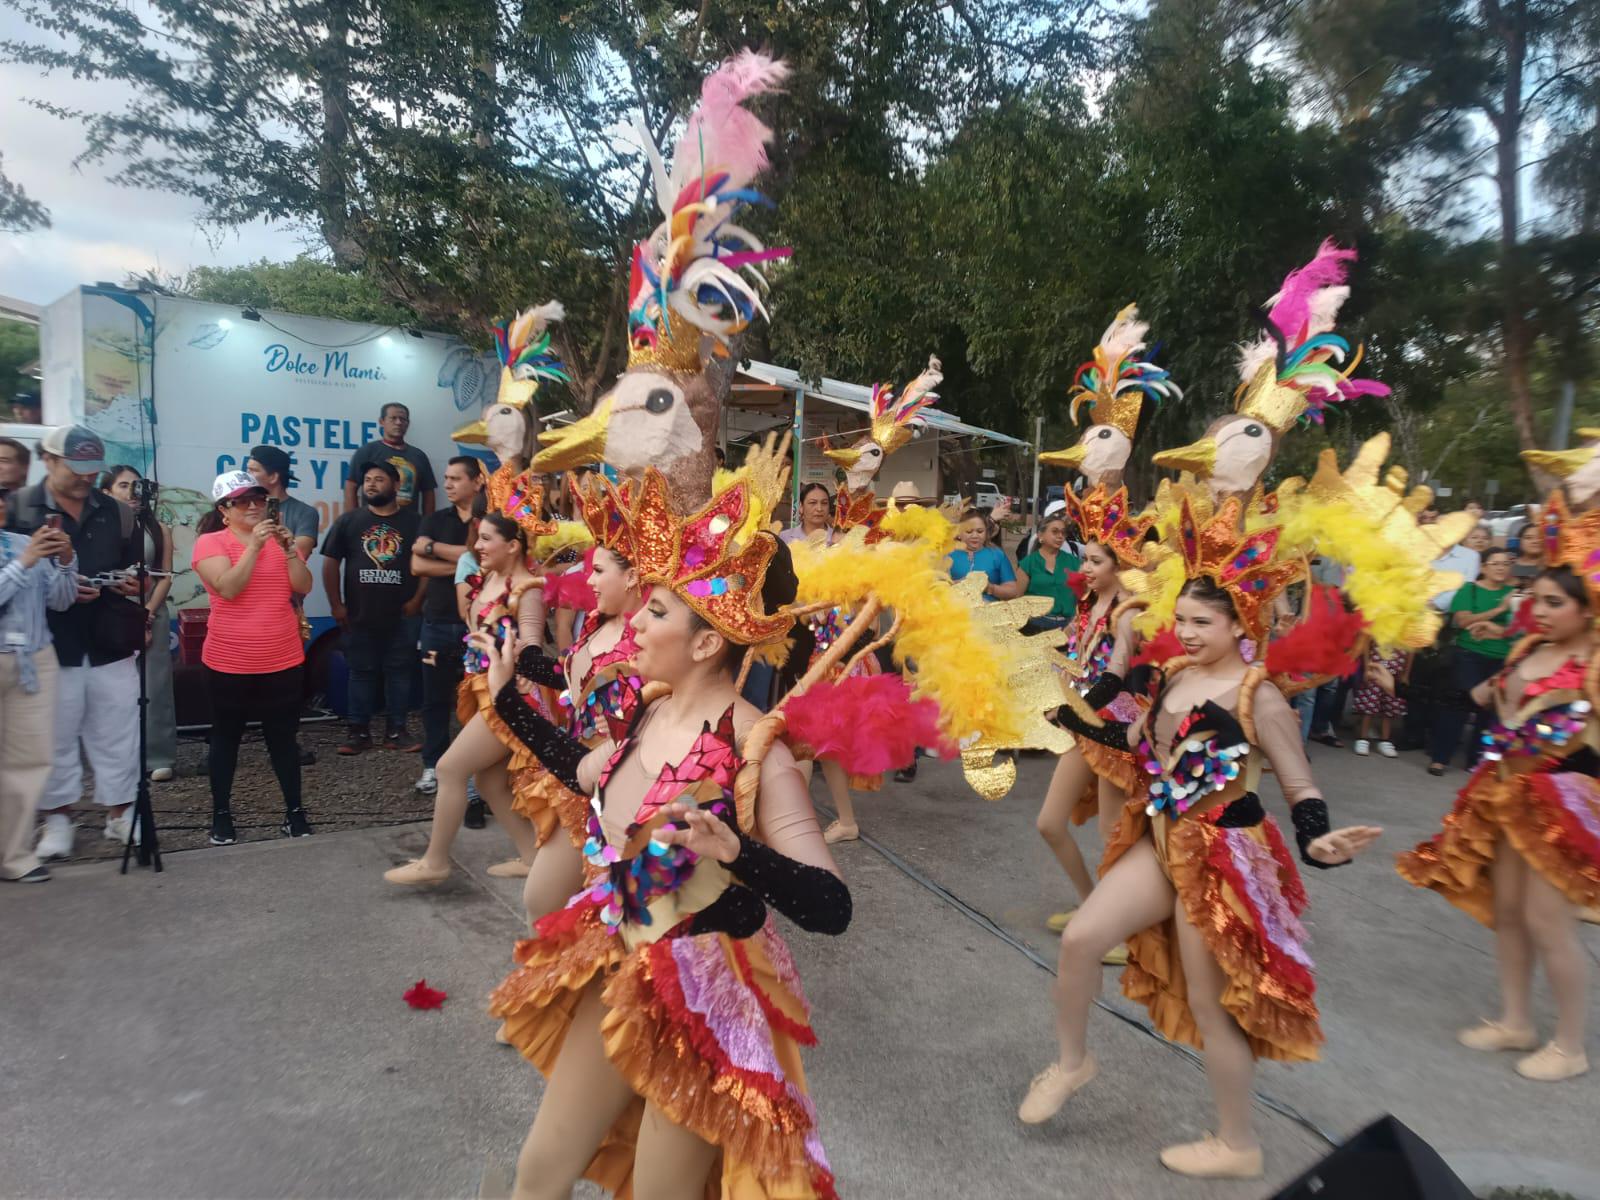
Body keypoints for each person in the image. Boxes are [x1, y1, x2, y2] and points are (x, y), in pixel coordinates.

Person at [1021, 575, 1381, 1178]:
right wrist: (1069, 718)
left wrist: (1319, 842)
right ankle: (1072, 1063)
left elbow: (1301, 787)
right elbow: (1133, 742)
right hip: (1163, 839)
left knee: (1209, 1007)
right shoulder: (1176, 677)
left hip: (1221, 858)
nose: (1186, 633)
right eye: (1182, 619)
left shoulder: (1259, 697)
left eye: (1202, 623)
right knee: (1081, 940)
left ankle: (1238, 1145)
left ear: (1239, 625)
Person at [1380, 493, 1600, 1082]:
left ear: (1588, 609)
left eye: (1554, 603)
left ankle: (1570, 1046)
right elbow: (1479, 700)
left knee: (1548, 922)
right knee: (1507, 912)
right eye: (1537, 599)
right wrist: (1402, 686)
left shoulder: (1594, 666)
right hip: (1505, 794)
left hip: (1561, 806)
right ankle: (1515, 1021)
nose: (1539, 610)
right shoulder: (1529, 649)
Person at [383, 509, 544, 885]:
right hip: (482, 689)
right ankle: (533, 857)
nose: (478, 546)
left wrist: (516, 664)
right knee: (489, 784)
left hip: (508, 699)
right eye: (478, 537)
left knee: (449, 769)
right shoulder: (487, 577)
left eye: (487, 538)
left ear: (513, 545)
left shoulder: (527, 589)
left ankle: (435, 861)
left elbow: (533, 649)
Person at [4, 425, 143, 859]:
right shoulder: (19, 506)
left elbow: (137, 567)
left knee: (118, 729)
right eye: (75, 468)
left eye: (92, 469)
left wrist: (130, 582)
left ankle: (121, 813)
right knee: (55, 734)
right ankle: (58, 818)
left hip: (109, 637)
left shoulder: (117, 511)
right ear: (48, 460)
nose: (86, 477)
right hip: (47, 640)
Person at [191, 471, 315, 843]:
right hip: (229, 662)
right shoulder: (210, 542)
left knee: (283, 739)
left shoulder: (279, 540)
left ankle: (295, 812)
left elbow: (303, 585)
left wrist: (289, 550)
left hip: (283, 659)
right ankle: (221, 815)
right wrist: (255, 547)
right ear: (224, 510)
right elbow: (228, 588)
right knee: (226, 739)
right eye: (242, 500)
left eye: (258, 499)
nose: (253, 506)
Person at [0, 486, 77, 882]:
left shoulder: (20, 542)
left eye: (1, 497)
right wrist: (26, 561)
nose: (0, 504)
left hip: (34, 659)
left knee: (29, 760)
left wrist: (65, 561)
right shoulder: (25, 551)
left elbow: (60, 601)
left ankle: (13, 856)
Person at [322, 461, 423, 753]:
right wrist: (336, 604)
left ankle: (396, 732)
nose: (371, 485)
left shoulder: (415, 523)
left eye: (379, 479)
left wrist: (417, 600)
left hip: (403, 615)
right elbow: (330, 563)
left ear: (395, 485)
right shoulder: (349, 521)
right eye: (367, 480)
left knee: (399, 672)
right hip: (359, 614)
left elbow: (427, 566)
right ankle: (358, 733)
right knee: (361, 672)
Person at [410, 456, 484, 796]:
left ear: (477, 481)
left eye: (456, 478)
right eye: (446, 477)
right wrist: (468, 565)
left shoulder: (490, 520)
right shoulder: (434, 519)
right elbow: (416, 564)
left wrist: (434, 550)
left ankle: (475, 772)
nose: (448, 484)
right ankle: (433, 764)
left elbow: (491, 558)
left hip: (477, 627)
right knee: (434, 699)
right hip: (437, 623)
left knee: (478, 701)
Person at [100, 465, 178, 781]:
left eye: (137, 485)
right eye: (123, 485)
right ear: (106, 492)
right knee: (113, 686)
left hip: (151, 610)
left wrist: (147, 613)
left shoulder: (157, 528)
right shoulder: (100, 528)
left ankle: (159, 755)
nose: (132, 491)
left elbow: (165, 576)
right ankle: (119, 757)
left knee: (155, 685)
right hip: (109, 612)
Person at [1428, 547, 1518, 776]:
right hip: (1469, 655)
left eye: (1505, 564)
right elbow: (1463, 621)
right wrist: (1500, 609)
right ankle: (1440, 758)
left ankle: (1476, 761)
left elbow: (1521, 628)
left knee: (1489, 712)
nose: (1501, 568)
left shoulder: (1515, 594)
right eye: (1495, 563)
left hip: (1502, 659)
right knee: (1457, 706)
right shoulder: (1469, 589)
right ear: (1483, 567)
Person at [344, 402, 436, 514]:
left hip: (409, 522)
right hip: (371, 521)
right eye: (393, 418)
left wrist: (427, 522)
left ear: (407, 424)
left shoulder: (419, 456)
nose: (398, 422)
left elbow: (428, 492)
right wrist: (353, 519)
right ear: (381, 421)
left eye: (403, 419)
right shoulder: (367, 451)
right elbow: (351, 486)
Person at [246, 445, 319, 560]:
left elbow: (300, 554)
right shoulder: (241, 508)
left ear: (273, 477)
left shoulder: (305, 513)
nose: (247, 476)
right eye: (247, 470)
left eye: (253, 471)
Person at [1014, 512, 1081, 631]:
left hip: (1067, 627)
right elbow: (1017, 597)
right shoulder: (1028, 563)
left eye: (1063, 532)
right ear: (1041, 535)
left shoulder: (1074, 562)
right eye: (1055, 532)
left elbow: (1084, 595)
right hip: (1034, 625)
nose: (1060, 536)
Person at [1350, 646, 1407, 758]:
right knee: (1369, 705)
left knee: (1390, 707)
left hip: (1395, 673)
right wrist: (1367, 668)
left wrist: (1406, 674)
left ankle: (1385, 740)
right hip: (1375, 671)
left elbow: (1410, 652)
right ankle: (1363, 738)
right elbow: (1366, 645)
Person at [948, 507, 1017, 599]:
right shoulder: (948, 554)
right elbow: (933, 587)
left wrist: (990, 588)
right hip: (954, 607)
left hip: (989, 607)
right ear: (959, 533)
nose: (975, 535)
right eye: (969, 531)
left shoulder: (997, 554)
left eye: (980, 531)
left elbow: (1012, 591)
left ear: (986, 532)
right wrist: (959, 584)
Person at [780, 480, 836, 545]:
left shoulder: (840, 539)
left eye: (824, 503)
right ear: (801, 507)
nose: (819, 509)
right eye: (812, 503)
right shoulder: (784, 538)